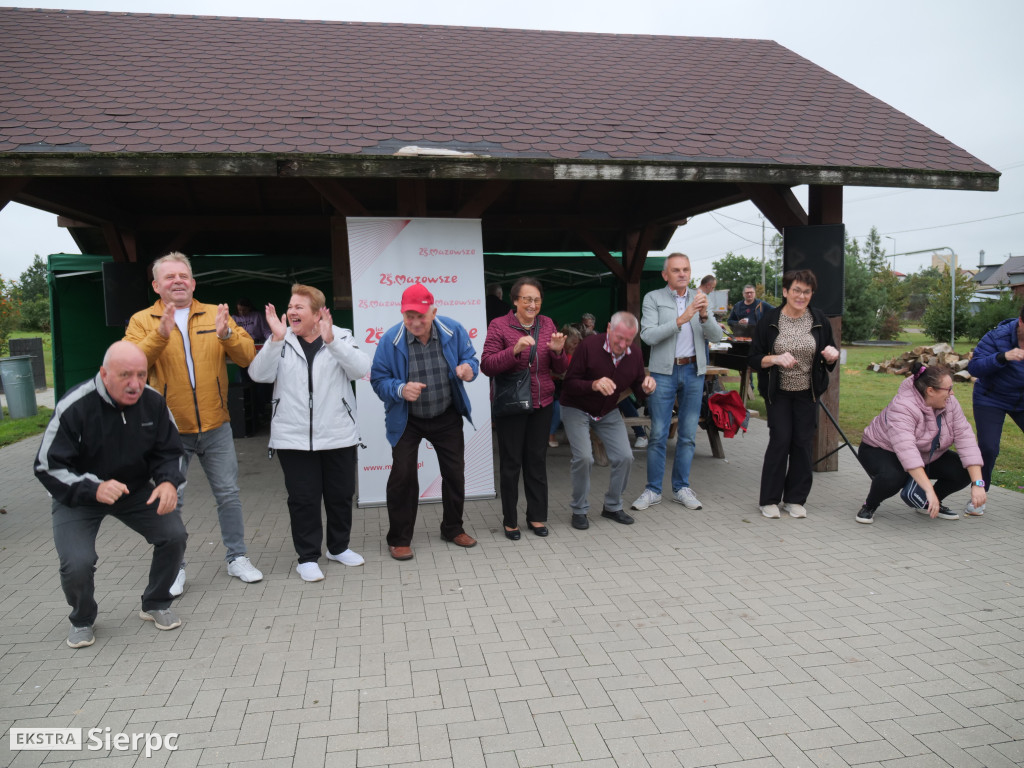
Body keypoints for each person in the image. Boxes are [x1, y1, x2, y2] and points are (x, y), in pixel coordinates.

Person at [125, 252, 263, 594]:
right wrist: (160, 333)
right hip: (169, 431)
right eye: (169, 277)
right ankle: (175, 568)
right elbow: (133, 363)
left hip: (216, 424)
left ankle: (237, 557)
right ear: (156, 285)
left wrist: (227, 335)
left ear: (193, 282)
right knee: (173, 500)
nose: (178, 281)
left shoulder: (217, 313)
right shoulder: (142, 320)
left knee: (229, 494)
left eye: (183, 275)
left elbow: (248, 357)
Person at [34, 341, 188, 648]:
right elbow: (45, 466)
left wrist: (169, 482)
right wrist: (94, 487)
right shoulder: (75, 405)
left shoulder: (154, 402)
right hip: (80, 495)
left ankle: (156, 602)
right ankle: (82, 618)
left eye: (142, 375)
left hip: (134, 490)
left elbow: (171, 451)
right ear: (104, 374)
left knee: (174, 535)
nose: (135, 384)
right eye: (125, 375)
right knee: (77, 562)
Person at [247, 285, 371, 581]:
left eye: (299, 307)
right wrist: (275, 340)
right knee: (303, 498)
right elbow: (258, 375)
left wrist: (333, 343)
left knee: (341, 495)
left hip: (338, 433)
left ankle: (339, 548)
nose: (291, 312)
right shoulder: (280, 339)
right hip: (293, 436)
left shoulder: (340, 335)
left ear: (317, 314)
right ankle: (307, 557)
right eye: (290, 306)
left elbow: (362, 369)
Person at [370, 283, 480, 560]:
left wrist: (468, 370)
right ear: (402, 313)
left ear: (433, 311)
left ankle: (453, 528)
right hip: (408, 418)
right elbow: (378, 380)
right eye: (409, 316)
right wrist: (400, 389)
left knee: (455, 473)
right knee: (403, 475)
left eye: (421, 315)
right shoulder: (390, 340)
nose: (415, 322)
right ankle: (399, 538)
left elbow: (471, 359)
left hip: (445, 414)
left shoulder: (453, 330)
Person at [631, 253, 723, 512]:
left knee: (688, 434)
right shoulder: (653, 298)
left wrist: (704, 315)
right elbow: (648, 335)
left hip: (694, 371)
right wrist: (680, 320)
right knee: (659, 434)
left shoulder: (700, 298)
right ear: (665, 275)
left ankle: (682, 487)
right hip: (663, 372)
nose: (682, 274)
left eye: (686, 269)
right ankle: (653, 489)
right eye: (676, 270)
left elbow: (715, 336)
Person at [748, 269, 839, 519]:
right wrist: (775, 358)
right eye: (796, 290)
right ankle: (768, 500)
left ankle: (795, 499)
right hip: (778, 393)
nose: (801, 295)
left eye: (806, 291)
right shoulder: (769, 320)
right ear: (786, 291)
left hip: (807, 393)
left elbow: (828, 354)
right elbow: (754, 359)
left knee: (802, 444)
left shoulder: (819, 319)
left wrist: (832, 356)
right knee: (780, 441)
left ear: (811, 294)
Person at [481, 277, 567, 539]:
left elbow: (560, 369)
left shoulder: (547, 323)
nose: (532, 304)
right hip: (512, 404)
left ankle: (537, 517)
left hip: (542, 403)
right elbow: (487, 365)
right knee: (511, 464)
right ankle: (510, 521)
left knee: (536, 462)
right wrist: (514, 350)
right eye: (527, 299)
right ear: (515, 301)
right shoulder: (499, 325)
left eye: (537, 299)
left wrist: (558, 352)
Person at [857, 364, 986, 524]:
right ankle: (870, 505)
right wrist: (928, 489)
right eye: (948, 389)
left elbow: (966, 439)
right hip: (880, 450)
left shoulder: (950, 403)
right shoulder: (903, 407)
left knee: (965, 470)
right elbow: (907, 451)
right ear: (930, 390)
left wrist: (978, 483)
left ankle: (928, 504)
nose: (952, 393)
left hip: (924, 452)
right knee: (893, 477)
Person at [560, 312, 656, 529]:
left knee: (625, 456)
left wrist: (647, 387)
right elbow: (569, 384)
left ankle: (612, 506)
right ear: (609, 329)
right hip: (576, 406)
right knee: (584, 458)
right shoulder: (589, 346)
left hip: (607, 410)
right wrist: (593, 384)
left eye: (628, 340)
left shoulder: (636, 355)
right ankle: (579, 509)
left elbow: (640, 386)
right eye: (618, 338)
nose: (622, 344)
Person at [965, 306, 1024, 516]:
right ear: (1021, 322)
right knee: (988, 448)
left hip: (1021, 399)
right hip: (991, 398)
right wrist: (1003, 357)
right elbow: (975, 368)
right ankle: (979, 494)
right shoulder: (997, 336)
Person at [548, 325, 582, 447]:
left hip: (566, 388)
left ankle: (572, 436)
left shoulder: (576, 356)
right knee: (558, 408)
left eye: (577, 343)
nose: (575, 346)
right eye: (573, 343)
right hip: (553, 388)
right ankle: (550, 434)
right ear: (564, 342)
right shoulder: (556, 353)